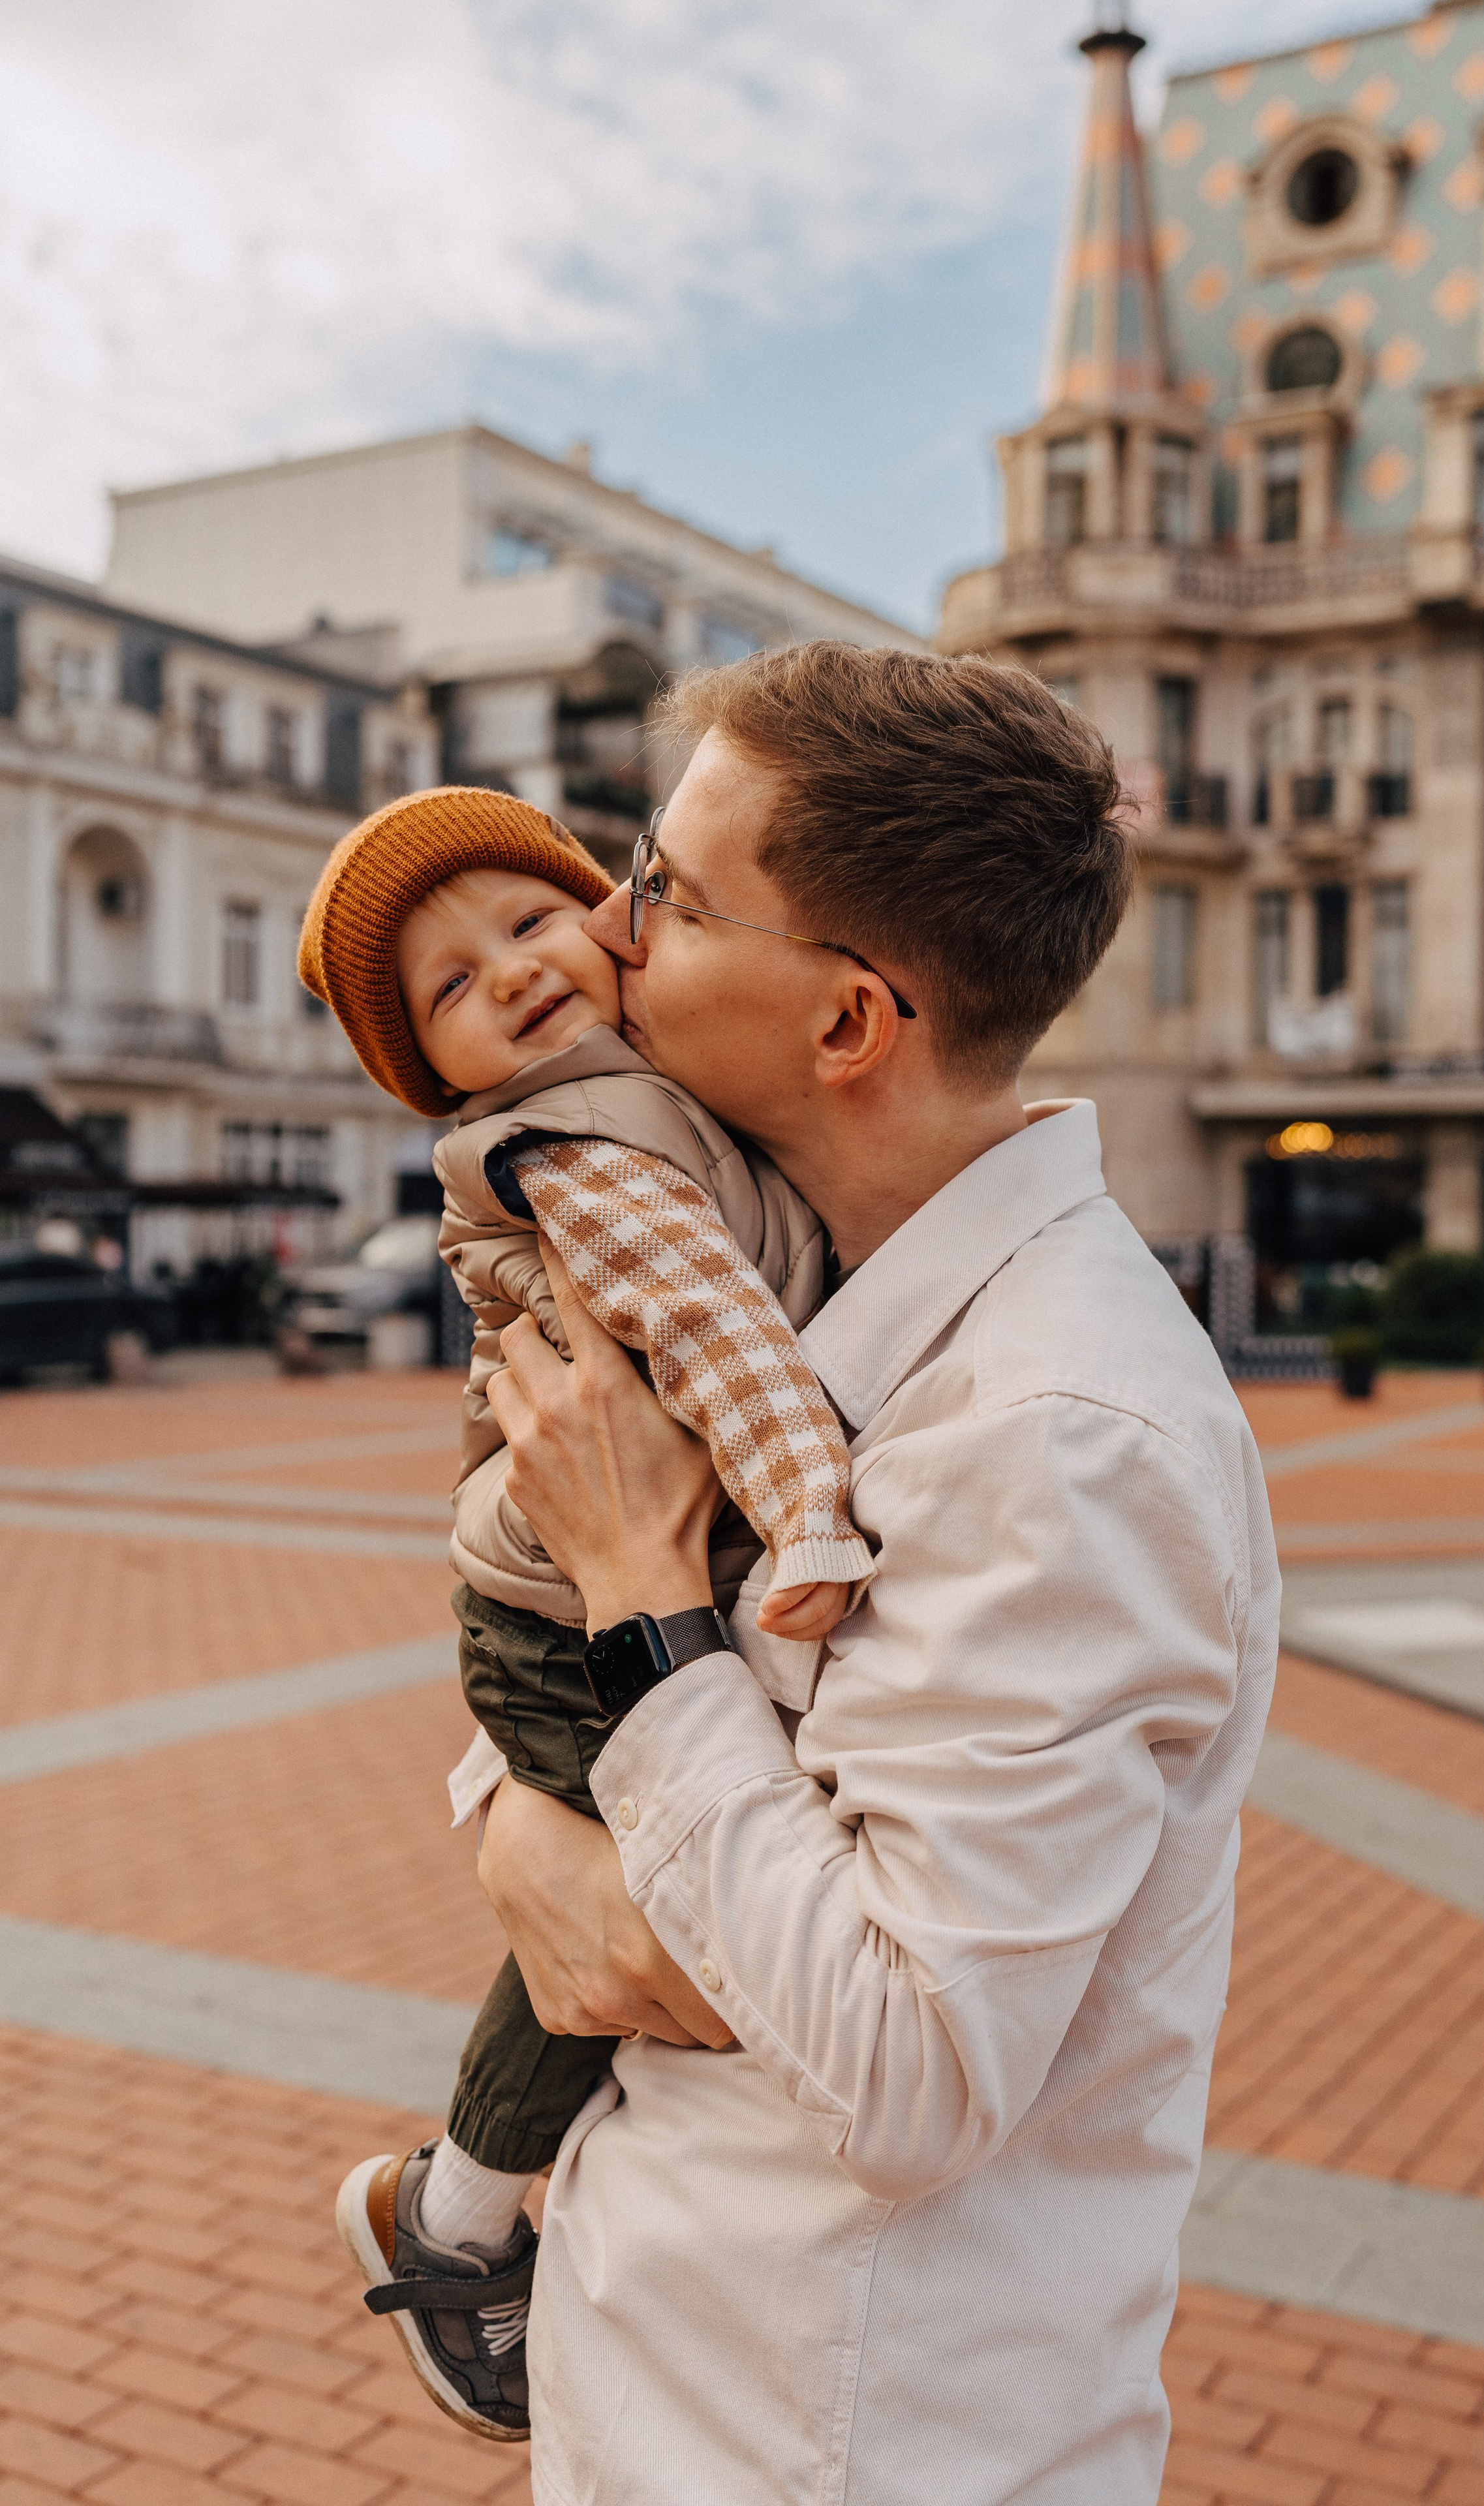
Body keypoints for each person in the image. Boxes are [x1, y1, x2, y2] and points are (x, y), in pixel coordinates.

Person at [474, 642, 1282, 2505]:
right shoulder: (760, 1290)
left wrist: (643, 1607)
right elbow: (549, 1751)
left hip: (842, 2442)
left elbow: (910, 2075)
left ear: (849, 1023)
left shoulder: (1064, 1433)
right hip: (665, 2380)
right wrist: (522, 1837)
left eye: (669, 891)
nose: (605, 922)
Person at [295, 786, 874, 2441]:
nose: (512, 974)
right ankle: (461, 2214)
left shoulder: (649, 1095)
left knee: (620, 1889)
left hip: (573, 1576)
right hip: (563, 1614)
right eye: (452, 988)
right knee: (639, 1917)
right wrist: (811, 1505)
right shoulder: (584, 1146)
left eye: (529, 921)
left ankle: (480, 2205)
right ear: (439, 1071)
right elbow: (714, 1333)